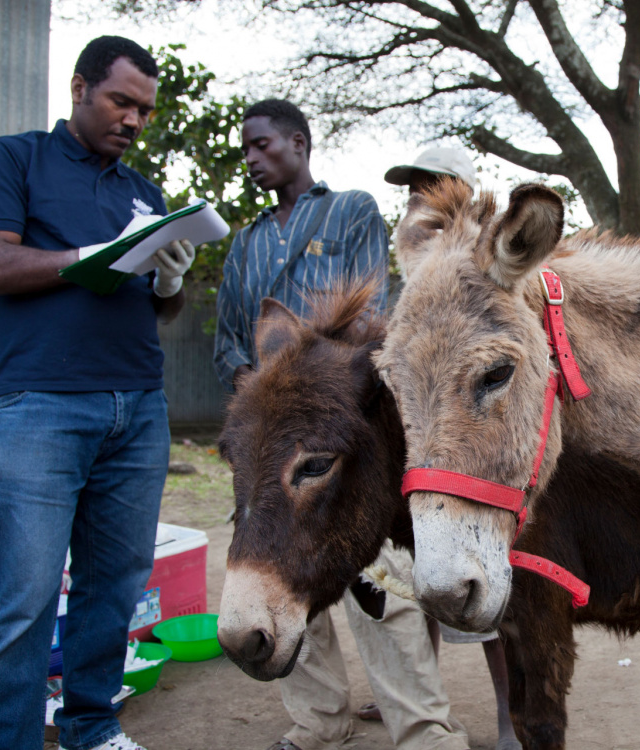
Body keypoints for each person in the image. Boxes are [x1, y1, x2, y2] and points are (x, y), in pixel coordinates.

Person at [213, 99, 469, 750]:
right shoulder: (244, 242)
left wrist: (307, 390)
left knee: (375, 581)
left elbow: (369, 319)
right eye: (244, 149)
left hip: (338, 432)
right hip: (270, 437)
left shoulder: (350, 210)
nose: (250, 158)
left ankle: (424, 729)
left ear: (299, 143)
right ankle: (318, 723)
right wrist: (260, 403)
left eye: (261, 144)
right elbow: (229, 344)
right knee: (277, 568)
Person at [0, 36, 195, 750]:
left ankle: (91, 726)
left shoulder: (144, 192)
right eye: (121, 101)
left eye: (145, 110)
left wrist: (167, 280)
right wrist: (89, 258)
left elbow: (157, 312)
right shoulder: (14, 158)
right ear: (79, 88)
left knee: (113, 590)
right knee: (24, 599)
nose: (135, 121)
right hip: (40, 406)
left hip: (138, 409)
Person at [385, 147, 520, 750]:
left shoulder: (483, 261)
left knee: (494, 605)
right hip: (420, 450)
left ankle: (509, 715)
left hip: (474, 450)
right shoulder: (410, 252)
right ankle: (423, 697)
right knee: (421, 580)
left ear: (464, 190)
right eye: (414, 187)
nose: (420, 196)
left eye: (434, 185)